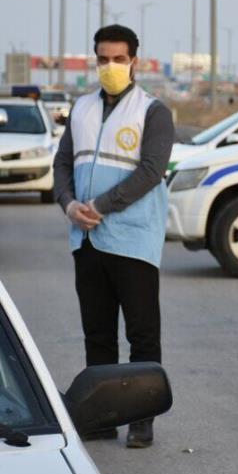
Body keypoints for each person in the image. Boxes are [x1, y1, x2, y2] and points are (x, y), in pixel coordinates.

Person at [53, 24, 174, 448]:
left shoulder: (152, 110)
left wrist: (100, 207)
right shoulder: (81, 109)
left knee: (142, 334)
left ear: (134, 61)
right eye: (103, 59)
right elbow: (62, 165)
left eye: (118, 59)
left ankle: (142, 418)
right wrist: (69, 204)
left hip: (132, 239)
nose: (110, 66)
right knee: (97, 333)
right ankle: (102, 416)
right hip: (86, 239)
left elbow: (151, 171)